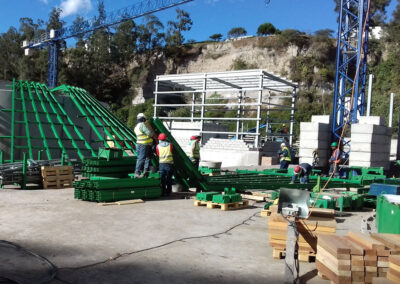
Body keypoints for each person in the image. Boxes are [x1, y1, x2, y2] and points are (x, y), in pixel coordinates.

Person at [134, 113, 153, 177]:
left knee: (142, 158)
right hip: (144, 144)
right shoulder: (142, 125)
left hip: (139, 144)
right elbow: (149, 133)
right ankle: (138, 172)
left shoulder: (136, 126)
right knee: (143, 158)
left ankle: (144, 171)